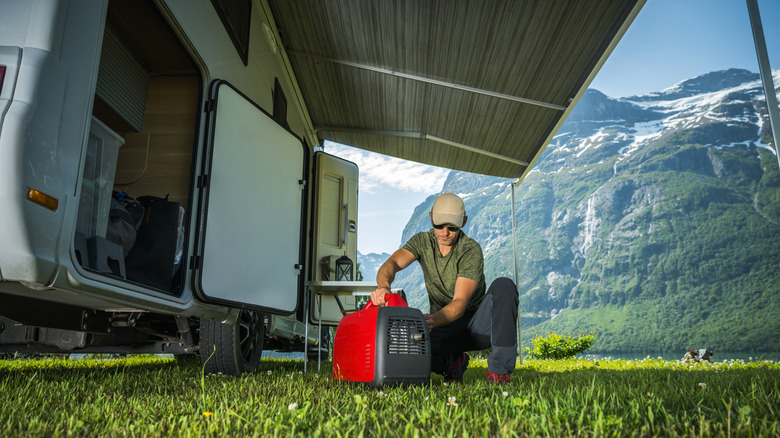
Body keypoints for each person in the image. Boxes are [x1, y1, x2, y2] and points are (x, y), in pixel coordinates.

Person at [370, 193, 519, 383]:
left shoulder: (470, 249)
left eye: (452, 227)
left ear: (463, 222)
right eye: (439, 225)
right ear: (431, 217)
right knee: (404, 350)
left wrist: (431, 321)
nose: (444, 232)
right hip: (444, 326)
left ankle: (499, 371)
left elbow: (459, 303)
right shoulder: (422, 242)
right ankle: (453, 363)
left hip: (476, 327)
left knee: (504, 286)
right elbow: (392, 263)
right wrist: (383, 286)